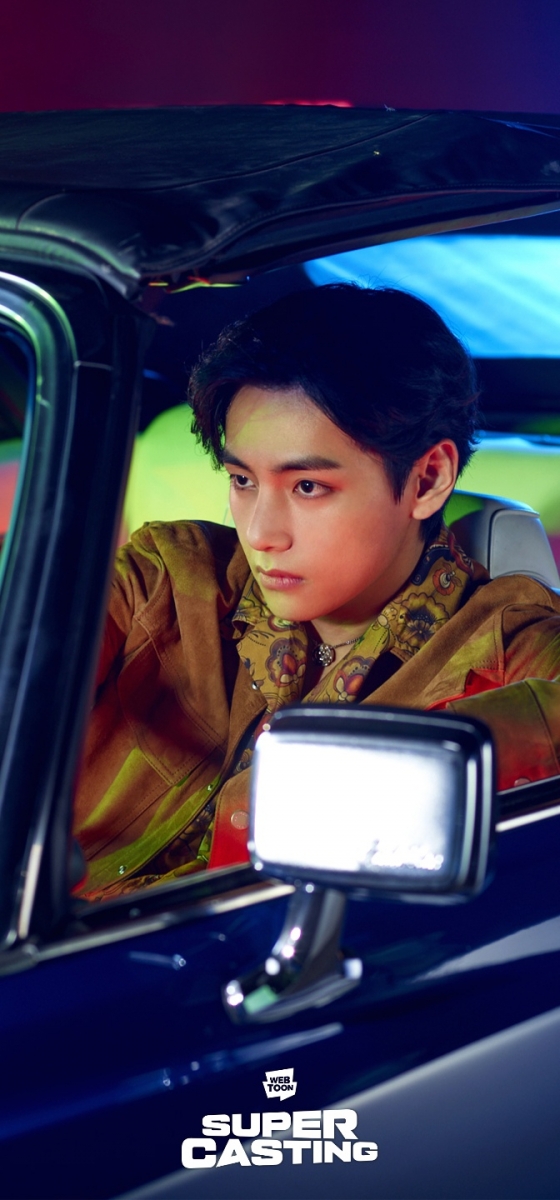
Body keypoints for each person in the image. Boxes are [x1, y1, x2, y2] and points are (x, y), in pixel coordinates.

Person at [74, 284, 560, 900]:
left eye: (307, 487)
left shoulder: (505, 648)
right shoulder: (169, 578)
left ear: (428, 479)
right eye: (242, 480)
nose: (260, 533)